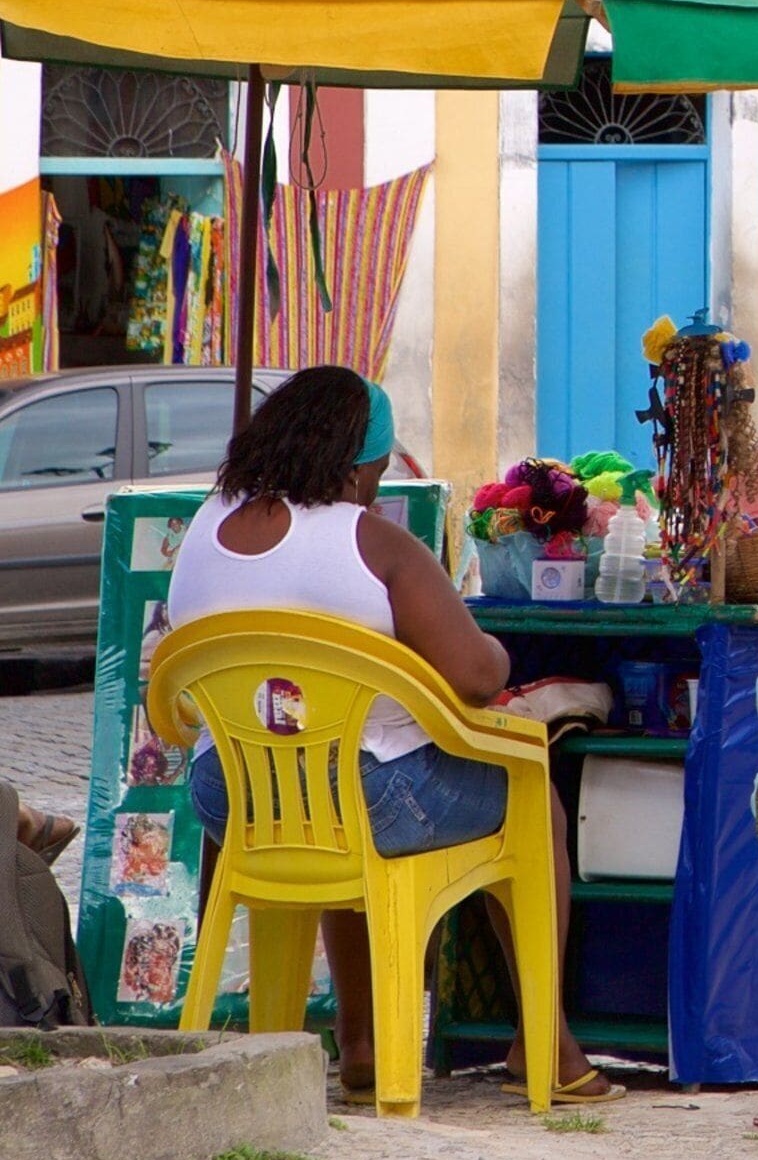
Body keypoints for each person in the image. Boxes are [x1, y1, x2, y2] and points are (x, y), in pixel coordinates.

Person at [166, 367, 601, 1107]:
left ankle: (361, 1044)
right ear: (357, 463)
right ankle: (547, 1043)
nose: (377, 480)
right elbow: (475, 675)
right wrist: (487, 652)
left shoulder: (206, 524)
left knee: (323, 778)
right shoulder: (375, 541)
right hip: (370, 800)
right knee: (532, 800)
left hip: (231, 799)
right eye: (379, 464)